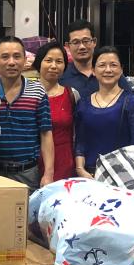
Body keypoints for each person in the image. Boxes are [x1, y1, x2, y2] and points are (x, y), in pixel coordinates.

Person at [0, 37, 53, 190]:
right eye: (5, 57)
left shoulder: (37, 90)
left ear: (25, 60)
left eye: (17, 56)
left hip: (27, 173)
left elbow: (46, 134)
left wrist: (48, 173)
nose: (11, 62)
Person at [74, 47, 134, 178]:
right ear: (93, 70)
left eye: (113, 65)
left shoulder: (132, 101)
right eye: (102, 65)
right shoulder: (83, 104)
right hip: (89, 174)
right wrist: (80, 169)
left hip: (123, 174)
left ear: (121, 70)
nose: (108, 70)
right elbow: (80, 142)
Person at [34, 42, 78, 181]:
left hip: (64, 162)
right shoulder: (28, 93)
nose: (53, 66)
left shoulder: (72, 94)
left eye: (59, 61)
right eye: (48, 60)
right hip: (32, 164)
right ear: (39, 63)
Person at [60, 19, 130, 97]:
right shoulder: (61, 74)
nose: (82, 47)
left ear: (94, 42)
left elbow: (129, 98)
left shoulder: (110, 71)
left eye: (86, 41)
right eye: (76, 42)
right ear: (67, 46)